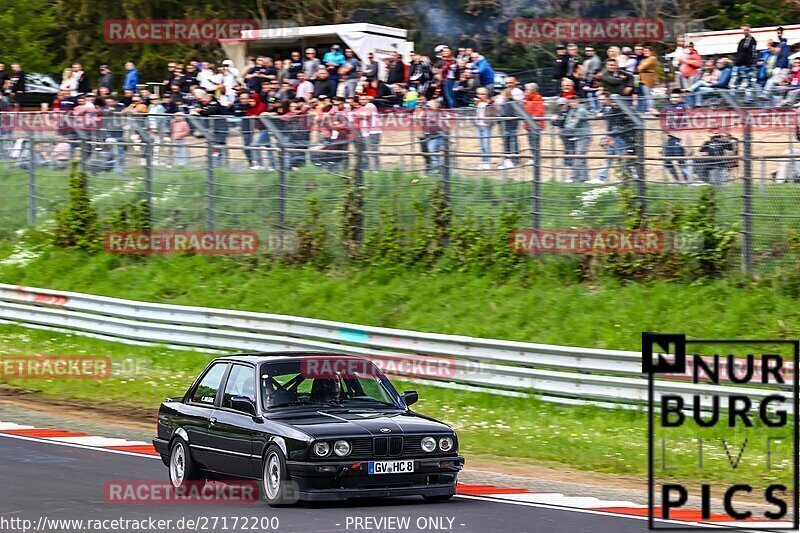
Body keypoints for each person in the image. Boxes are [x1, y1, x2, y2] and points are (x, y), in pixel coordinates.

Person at [660, 90, 692, 183]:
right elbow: (661, 115)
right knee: (667, 162)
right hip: (670, 138)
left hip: (679, 137)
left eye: (676, 97)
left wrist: (685, 138)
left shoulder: (683, 107)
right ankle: (678, 180)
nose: (674, 99)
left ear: (680, 98)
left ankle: (687, 179)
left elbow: (690, 114)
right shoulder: (667, 108)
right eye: (672, 97)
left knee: (681, 161)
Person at [495, 76, 523, 169]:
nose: (508, 85)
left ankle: (514, 160)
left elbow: (503, 111)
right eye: (507, 83)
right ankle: (508, 159)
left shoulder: (517, 93)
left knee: (512, 140)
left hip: (510, 121)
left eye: (510, 82)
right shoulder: (506, 100)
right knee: (508, 140)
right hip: (507, 122)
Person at [562, 96, 591, 182]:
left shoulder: (581, 110)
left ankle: (574, 178)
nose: (571, 104)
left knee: (578, 157)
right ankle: (583, 179)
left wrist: (570, 124)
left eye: (573, 102)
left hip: (583, 136)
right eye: (570, 102)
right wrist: (569, 124)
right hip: (577, 135)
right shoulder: (573, 110)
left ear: (577, 101)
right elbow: (567, 122)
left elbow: (573, 124)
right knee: (581, 158)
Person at [352, 94, 381, 170]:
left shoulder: (371, 106)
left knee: (373, 151)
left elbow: (365, 115)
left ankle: (376, 168)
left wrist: (357, 113)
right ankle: (366, 168)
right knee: (365, 150)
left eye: (364, 99)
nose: (362, 101)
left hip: (374, 131)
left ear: (368, 100)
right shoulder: (362, 108)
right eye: (361, 99)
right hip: (365, 131)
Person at [521, 82, 545, 167]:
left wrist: (530, 118)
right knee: (531, 141)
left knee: (535, 141)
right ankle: (533, 156)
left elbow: (539, 111)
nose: (525, 91)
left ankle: (536, 158)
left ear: (532, 90)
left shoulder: (537, 98)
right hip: (529, 124)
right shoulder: (526, 98)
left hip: (535, 124)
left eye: (527, 89)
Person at [474, 87, 493, 170]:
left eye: (483, 94)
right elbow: (469, 105)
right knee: (481, 144)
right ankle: (483, 161)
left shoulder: (489, 103)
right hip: (478, 124)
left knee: (485, 144)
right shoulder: (477, 103)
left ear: (486, 94)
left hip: (486, 125)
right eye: (479, 94)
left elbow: (493, 112)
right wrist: (474, 104)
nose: (481, 96)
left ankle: (487, 162)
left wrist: (489, 122)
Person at [733, 24, 757, 89]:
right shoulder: (742, 41)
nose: (745, 32)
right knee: (736, 83)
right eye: (744, 30)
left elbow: (752, 52)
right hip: (739, 65)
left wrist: (749, 64)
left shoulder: (751, 40)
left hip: (746, 65)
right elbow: (739, 52)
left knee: (749, 83)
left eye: (746, 30)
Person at [637, 46, 659, 113]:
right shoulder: (644, 59)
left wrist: (640, 67)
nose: (646, 52)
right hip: (642, 79)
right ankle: (646, 108)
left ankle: (651, 109)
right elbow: (639, 68)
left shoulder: (652, 58)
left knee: (648, 95)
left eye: (648, 51)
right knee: (645, 95)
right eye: (645, 51)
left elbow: (641, 68)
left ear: (651, 52)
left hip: (648, 79)